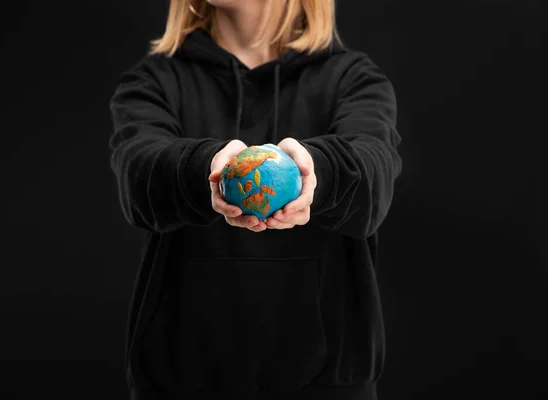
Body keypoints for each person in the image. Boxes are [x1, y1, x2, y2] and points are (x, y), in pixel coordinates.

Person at [108, 0, 402, 398]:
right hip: (182, 378)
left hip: (326, 379)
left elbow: (374, 173)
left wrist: (318, 169)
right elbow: (138, 175)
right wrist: (205, 166)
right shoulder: (155, 79)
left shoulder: (353, 78)